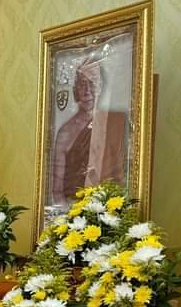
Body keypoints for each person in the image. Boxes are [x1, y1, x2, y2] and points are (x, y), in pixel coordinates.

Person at [49, 55, 128, 205]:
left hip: (109, 210)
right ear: (75, 89)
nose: (87, 91)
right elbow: (58, 191)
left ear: (101, 86)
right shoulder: (65, 133)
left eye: (93, 83)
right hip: (73, 212)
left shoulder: (114, 123)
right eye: (82, 84)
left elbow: (122, 176)